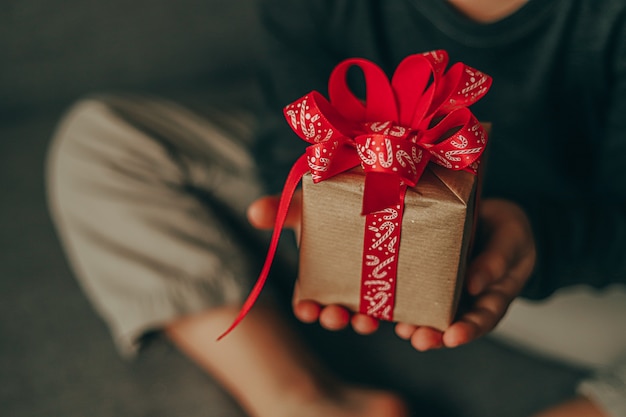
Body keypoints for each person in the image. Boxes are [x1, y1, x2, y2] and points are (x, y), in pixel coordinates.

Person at [46, 0, 626, 416]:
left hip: (556, 264)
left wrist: (540, 238)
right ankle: (299, 400)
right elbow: (288, 124)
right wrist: (309, 208)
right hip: (349, 209)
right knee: (102, 139)